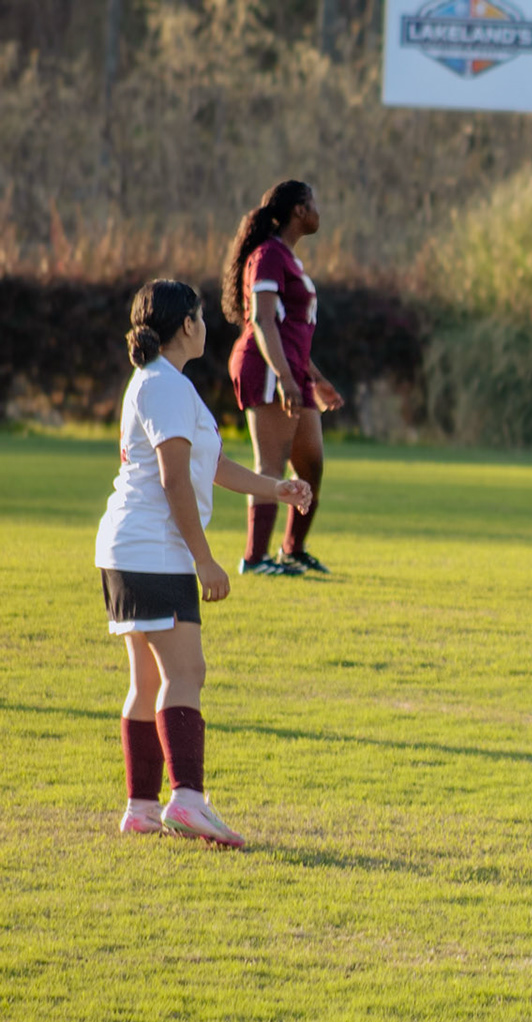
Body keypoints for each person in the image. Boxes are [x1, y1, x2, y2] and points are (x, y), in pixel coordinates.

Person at [97, 280, 313, 848]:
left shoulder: (163, 384)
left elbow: (207, 466)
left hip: (127, 549)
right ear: (187, 326)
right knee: (186, 674)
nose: (205, 323)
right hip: (155, 551)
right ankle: (187, 801)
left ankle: (142, 807)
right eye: (199, 314)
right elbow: (172, 478)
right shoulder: (166, 387)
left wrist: (275, 488)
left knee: (147, 681)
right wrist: (205, 559)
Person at [220, 178, 344, 576]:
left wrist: (314, 378)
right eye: (314, 203)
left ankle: (292, 549)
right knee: (270, 465)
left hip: (290, 370)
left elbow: (292, 332)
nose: (319, 211)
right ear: (298, 211)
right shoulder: (269, 255)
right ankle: (255, 559)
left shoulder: (287, 257)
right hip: (267, 367)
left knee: (311, 466)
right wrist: (286, 378)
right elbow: (262, 320)